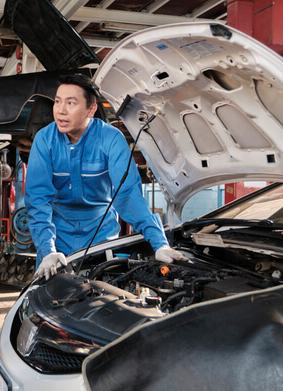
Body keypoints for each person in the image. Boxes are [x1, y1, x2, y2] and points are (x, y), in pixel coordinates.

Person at [25, 74, 186, 281]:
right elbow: (38, 199)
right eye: (57, 102)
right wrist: (47, 249)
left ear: (90, 110)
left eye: (71, 103)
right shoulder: (44, 140)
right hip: (57, 238)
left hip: (101, 238)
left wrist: (159, 243)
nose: (60, 110)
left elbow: (128, 195)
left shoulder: (111, 139)